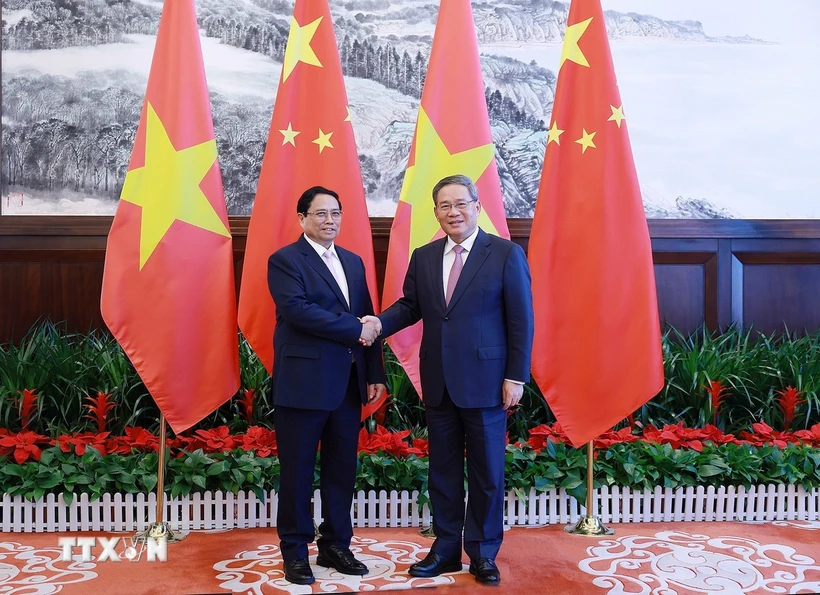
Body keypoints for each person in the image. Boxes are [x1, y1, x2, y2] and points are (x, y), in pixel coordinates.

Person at [363, 174, 534, 585]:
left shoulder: (505, 254)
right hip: (438, 383)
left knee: (487, 473)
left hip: (489, 382)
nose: (453, 212)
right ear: (436, 211)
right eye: (445, 206)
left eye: (461, 204)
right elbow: (410, 307)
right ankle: (444, 550)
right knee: (441, 471)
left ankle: (482, 553)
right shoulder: (424, 256)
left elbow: (521, 319)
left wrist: (516, 375)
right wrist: (377, 323)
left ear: (477, 206)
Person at [267, 186, 386, 585]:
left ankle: (336, 545)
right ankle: (296, 552)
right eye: (320, 213)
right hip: (302, 384)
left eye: (335, 213)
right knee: (298, 474)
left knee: (341, 471)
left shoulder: (352, 262)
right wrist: (356, 328)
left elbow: (367, 317)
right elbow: (298, 311)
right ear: (302, 218)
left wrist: (374, 373)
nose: (329, 220)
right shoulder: (285, 260)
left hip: (347, 385)